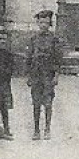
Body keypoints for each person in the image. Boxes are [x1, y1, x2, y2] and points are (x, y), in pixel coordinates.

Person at [26, 8, 64, 140]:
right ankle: (36, 130)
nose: (43, 25)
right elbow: (29, 58)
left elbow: (58, 59)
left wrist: (56, 75)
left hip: (48, 74)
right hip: (36, 74)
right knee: (36, 103)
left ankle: (47, 129)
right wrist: (29, 76)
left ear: (50, 24)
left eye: (46, 23)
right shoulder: (33, 39)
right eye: (41, 22)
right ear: (38, 23)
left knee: (48, 103)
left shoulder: (54, 40)